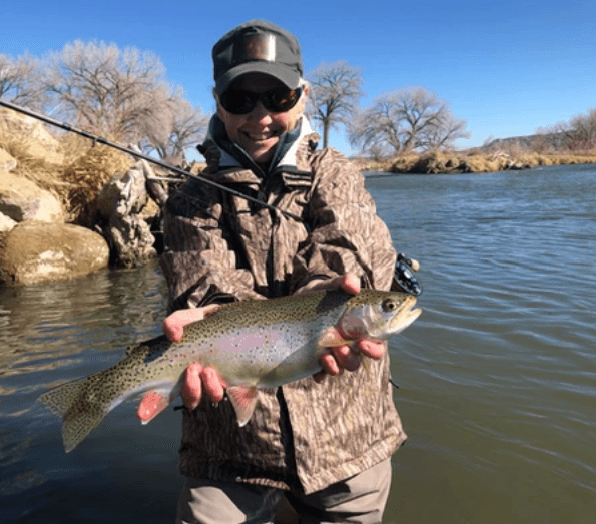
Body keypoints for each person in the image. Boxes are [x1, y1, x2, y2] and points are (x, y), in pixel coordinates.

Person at [143, 19, 407, 524]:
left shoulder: (336, 172)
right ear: (218, 101)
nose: (260, 116)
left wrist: (327, 296)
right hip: (230, 449)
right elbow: (205, 286)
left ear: (303, 95)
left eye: (277, 97)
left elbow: (349, 249)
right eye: (241, 100)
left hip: (347, 441)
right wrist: (213, 315)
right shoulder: (189, 198)